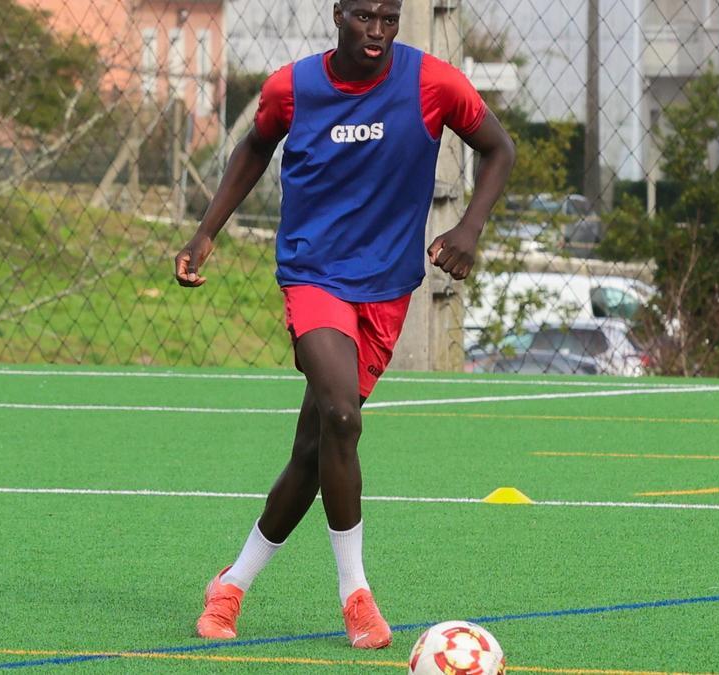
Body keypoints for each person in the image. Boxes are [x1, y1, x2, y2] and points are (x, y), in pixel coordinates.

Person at [173, 0, 515, 650]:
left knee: (314, 449)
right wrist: (205, 233)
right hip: (314, 274)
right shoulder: (292, 88)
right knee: (341, 416)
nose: (378, 32)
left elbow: (501, 148)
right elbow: (253, 146)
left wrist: (469, 228)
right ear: (338, 13)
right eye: (365, 17)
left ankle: (232, 584)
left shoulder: (432, 83)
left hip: (386, 289)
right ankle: (355, 594)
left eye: (390, 18)